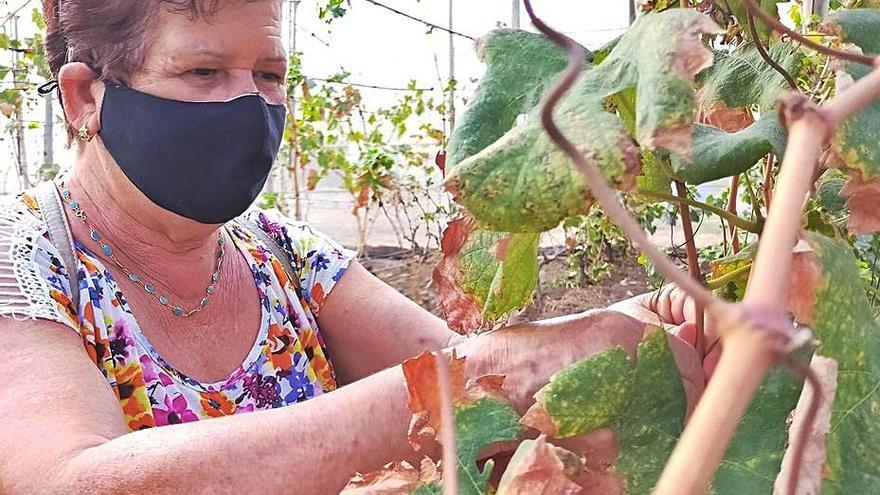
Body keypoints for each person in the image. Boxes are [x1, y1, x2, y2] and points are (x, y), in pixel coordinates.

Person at [0, 1, 712, 493]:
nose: (250, 106)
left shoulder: (286, 254)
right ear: (85, 96)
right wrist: (502, 363)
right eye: (203, 73)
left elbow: (483, 399)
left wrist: (650, 320)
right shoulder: (24, 260)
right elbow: (64, 479)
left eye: (270, 75)